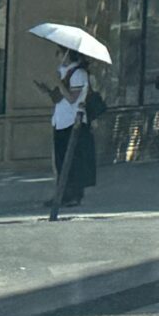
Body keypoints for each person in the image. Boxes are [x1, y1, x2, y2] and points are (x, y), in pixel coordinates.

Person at [48, 50, 99, 209]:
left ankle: (74, 195)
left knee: (73, 160)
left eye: (59, 53)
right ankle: (61, 194)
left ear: (67, 54)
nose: (57, 56)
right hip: (60, 120)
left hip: (73, 121)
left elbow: (72, 98)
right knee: (61, 161)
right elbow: (59, 97)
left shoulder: (78, 73)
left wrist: (58, 82)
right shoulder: (64, 71)